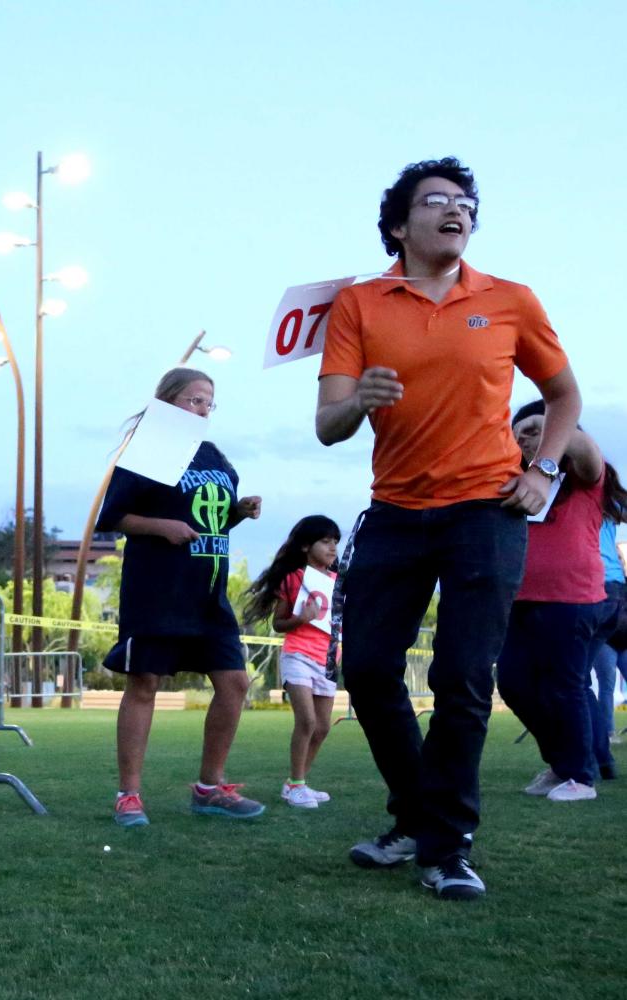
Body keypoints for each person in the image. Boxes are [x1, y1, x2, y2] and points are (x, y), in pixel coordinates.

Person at [316, 158, 581, 901]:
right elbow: (328, 425)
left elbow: (563, 395)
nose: (456, 211)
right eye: (436, 201)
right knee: (367, 669)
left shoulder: (509, 300)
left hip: (485, 513)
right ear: (399, 225)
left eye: (466, 203)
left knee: (462, 678)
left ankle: (446, 845)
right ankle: (415, 813)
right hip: (396, 512)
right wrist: (359, 399)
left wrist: (545, 473)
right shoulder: (359, 304)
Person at [97, 367, 264, 828]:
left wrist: (238, 512)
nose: (204, 408)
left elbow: (206, 520)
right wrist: (160, 527)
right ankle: (128, 795)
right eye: (194, 399)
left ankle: (210, 788)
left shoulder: (212, 454)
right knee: (145, 685)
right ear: (168, 401)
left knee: (234, 684)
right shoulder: (152, 449)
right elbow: (113, 517)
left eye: (209, 401)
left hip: (208, 595)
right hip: (158, 592)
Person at [496, 400, 612, 801]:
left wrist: (553, 427)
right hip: (519, 599)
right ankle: (562, 763)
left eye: (533, 429)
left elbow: (584, 451)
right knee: (511, 682)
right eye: (518, 433)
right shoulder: (517, 480)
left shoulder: (584, 476)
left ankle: (581, 777)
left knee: (566, 686)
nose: (524, 438)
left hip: (573, 598)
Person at [243, 515, 342, 809]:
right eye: (325, 541)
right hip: (298, 654)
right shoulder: (294, 578)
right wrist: (301, 619)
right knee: (307, 721)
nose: (333, 547)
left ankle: (296, 784)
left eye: (335, 541)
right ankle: (297, 785)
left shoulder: (339, 581)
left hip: (328, 660)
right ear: (305, 546)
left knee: (323, 727)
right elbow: (279, 623)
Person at [588, 468, 627, 776]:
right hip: (619, 594)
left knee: (600, 685)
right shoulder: (612, 504)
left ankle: (603, 749)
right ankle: (602, 752)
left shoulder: (583, 499)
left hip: (594, 588)